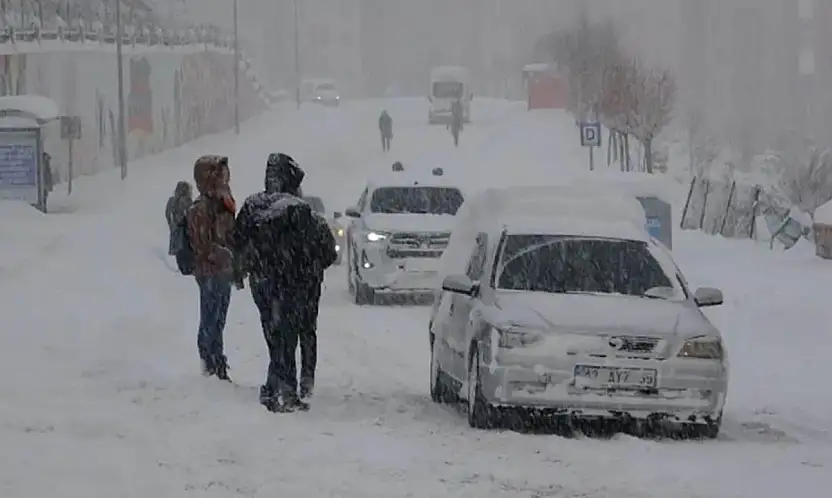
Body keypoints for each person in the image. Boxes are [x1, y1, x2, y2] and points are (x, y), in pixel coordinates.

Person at [232, 153, 337, 412]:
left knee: (273, 335)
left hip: (261, 281)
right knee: (288, 336)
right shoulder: (300, 211)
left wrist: (243, 270)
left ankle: (273, 388)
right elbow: (319, 251)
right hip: (290, 283)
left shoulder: (252, 205)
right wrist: (307, 272)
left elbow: (237, 242)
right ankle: (286, 392)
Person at [186, 155, 240, 381]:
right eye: (218, 174)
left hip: (223, 272)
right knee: (211, 317)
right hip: (209, 271)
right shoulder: (200, 208)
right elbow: (202, 245)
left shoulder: (223, 203)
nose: (224, 178)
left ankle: (216, 359)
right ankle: (210, 361)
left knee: (219, 318)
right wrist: (223, 255)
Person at [165, 181, 193, 255]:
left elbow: (167, 214)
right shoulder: (187, 200)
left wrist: (172, 225)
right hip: (181, 228)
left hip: (181, 228)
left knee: (179, 251)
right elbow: (168, 214)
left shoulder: (187, 200)